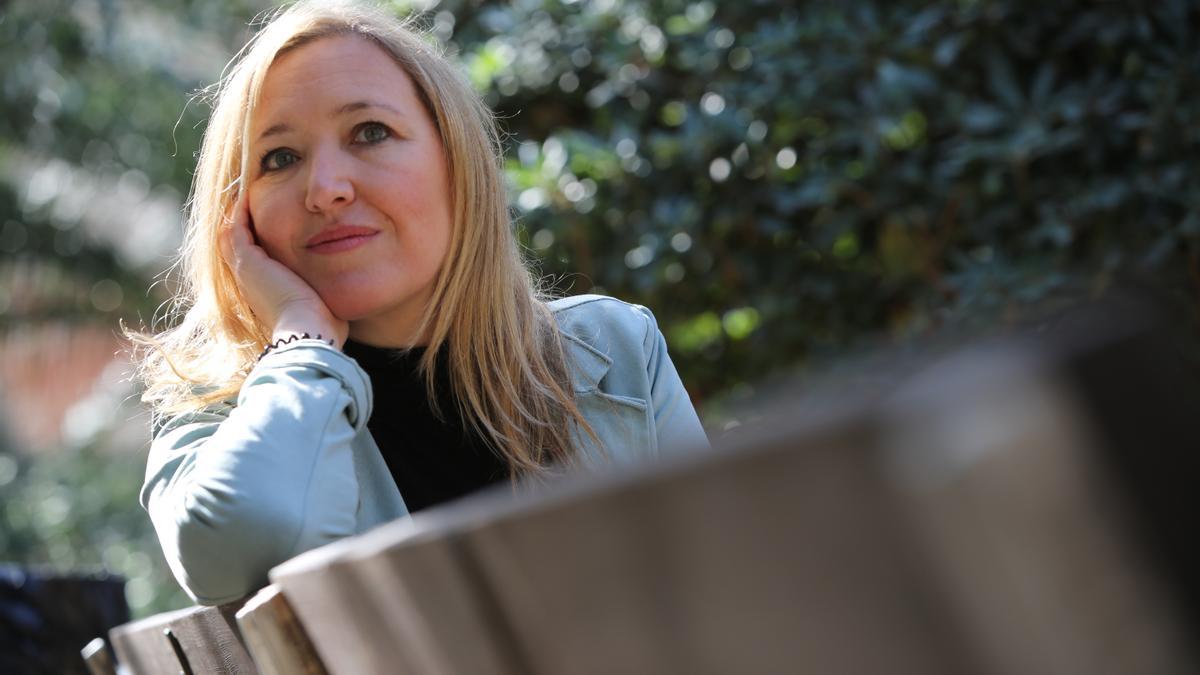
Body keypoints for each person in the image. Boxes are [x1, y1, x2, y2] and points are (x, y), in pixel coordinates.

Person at [130, 0, 708, 606]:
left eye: (370, 133)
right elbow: (237, 551)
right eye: (280, 158)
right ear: (239, 217)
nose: (326, 189)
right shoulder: (212, 417)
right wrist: (300, 341)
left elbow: (726, 587)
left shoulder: (614, 350)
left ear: (457, 163)